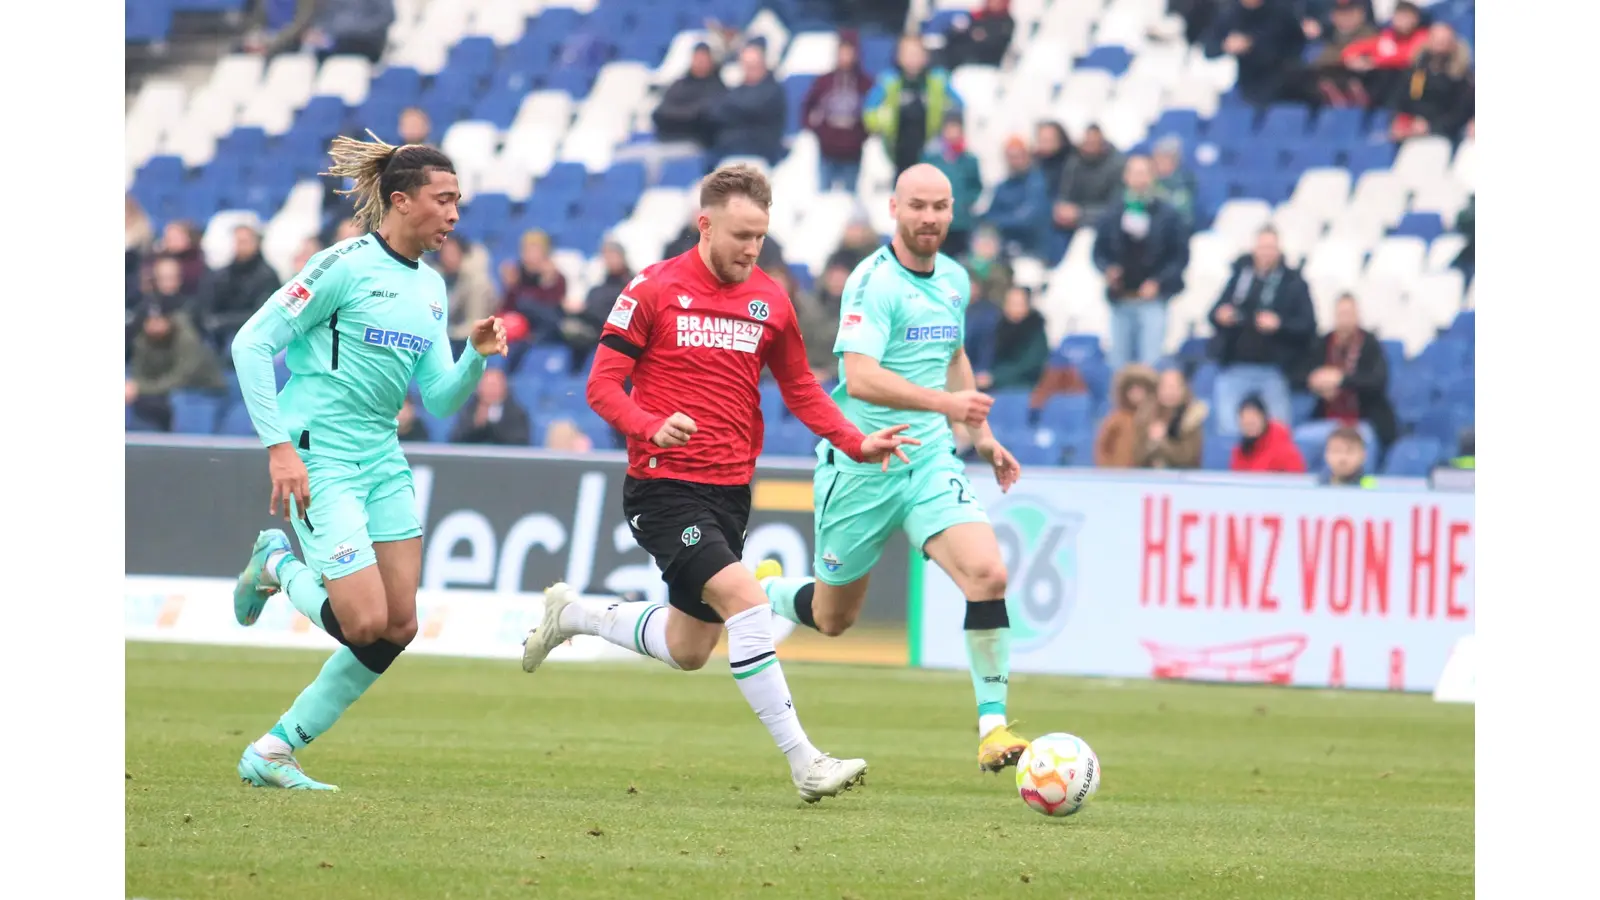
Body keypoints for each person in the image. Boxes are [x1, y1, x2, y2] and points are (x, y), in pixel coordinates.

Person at [519, 165, 917, 802]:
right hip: (663, 486)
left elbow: (801, 389)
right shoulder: (652, 289)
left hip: (732, 491)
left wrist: (855, 440)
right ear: (705, 225)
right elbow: (600, 387)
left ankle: (575, 614)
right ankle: (805, 762)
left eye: (760, 236)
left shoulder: (771, 300)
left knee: (688, 648)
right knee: (748, 602)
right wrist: (650, 425)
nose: (752, 248)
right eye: (740, 235)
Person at [225, 132, 508, 791]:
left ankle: (273, 752)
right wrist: (279, 448)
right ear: (402, 201)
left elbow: (437, 398)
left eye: (459, 202)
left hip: (381, 457)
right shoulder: (343, 266)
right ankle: (274, 563)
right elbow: (250, 344)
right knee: (362, 622)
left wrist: (474, 355)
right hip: (319, 455)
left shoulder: (434, 290)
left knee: (399, 625)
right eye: (444, 200)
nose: (455, 214)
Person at [757, 164, 1034, 774]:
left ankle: (993, 727)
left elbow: (953, 356)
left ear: (952, 210)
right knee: (834, 619)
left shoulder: (956, 280)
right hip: (863, 461)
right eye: (918, 206)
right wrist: (946, 405)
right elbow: (860, 377)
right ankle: (768, 588)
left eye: (940, 206)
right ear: (895, 209)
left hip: (929, 458)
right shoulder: (872, 283)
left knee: (987, 574)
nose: (929, 217)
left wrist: (982, 438)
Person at [1135, 368, 1208, 470]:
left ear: (1184, 390)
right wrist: (1150, 443)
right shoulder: (1147, 415)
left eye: (1173, 387)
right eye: (1165, 387)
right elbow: (1136, 457)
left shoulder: (1191, 417)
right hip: (1149, 480)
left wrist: (1161, 443)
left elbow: (1188, 458)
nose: (1169, 392)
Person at [1230, 395, 1306, 473]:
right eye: (1246, 423)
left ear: (1264, 418)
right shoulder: (1240, 451)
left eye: (1253, 422)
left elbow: (1296, 479)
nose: (1250, 427)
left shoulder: (1283, 448)